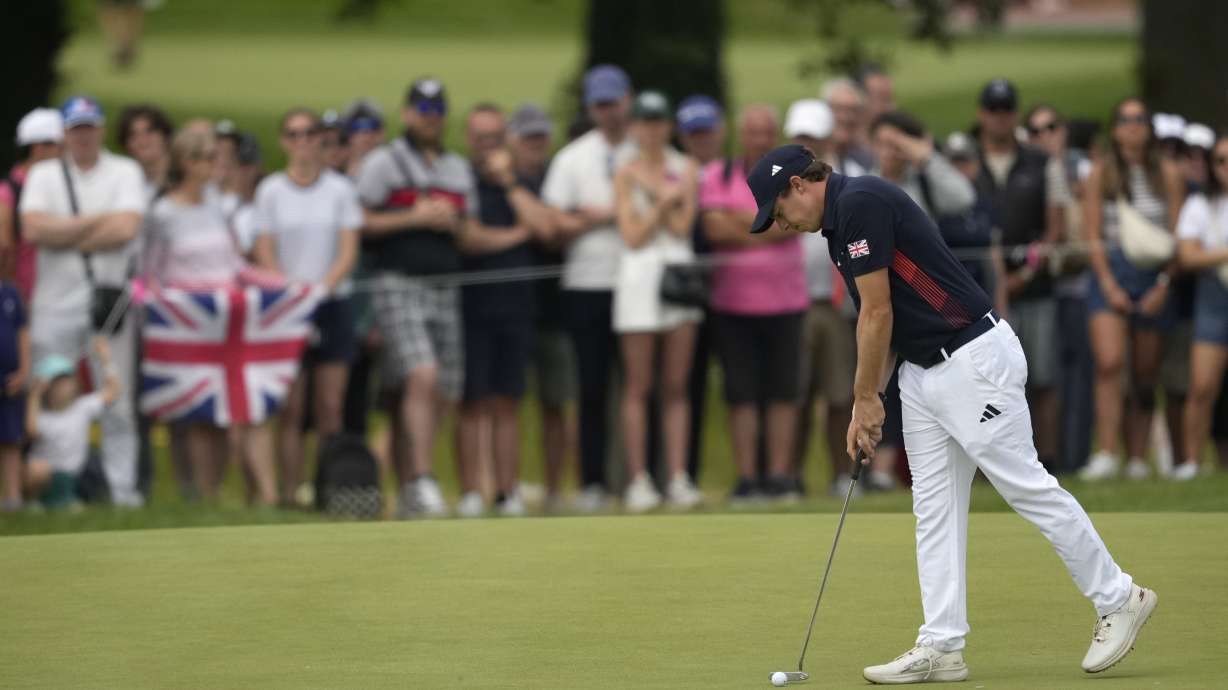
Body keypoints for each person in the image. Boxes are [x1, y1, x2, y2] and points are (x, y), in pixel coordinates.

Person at [751, 143, 1155, 684]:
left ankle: (1119, 596)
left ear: (799, 185)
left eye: (777, 212)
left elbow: (876, 313)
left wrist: (865, 398)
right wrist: (866, 403)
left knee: (1024, 485)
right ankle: (942, 643)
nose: (780, 225)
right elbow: (885, 321)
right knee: (934, 508)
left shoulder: (860, 202)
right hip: (923, 373)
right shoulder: (838, 225)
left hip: (972, 358)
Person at [356, 77, 476, 518]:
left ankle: (409, 484)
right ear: (407, 113)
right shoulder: (383, 163)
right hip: (397, 281)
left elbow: (470, 230)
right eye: (422, 110)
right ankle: (424, 481)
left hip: (446, 285)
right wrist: (413, 217)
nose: (430, 118)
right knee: (422, 375)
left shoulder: (457, 168)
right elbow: (360, 219)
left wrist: (454, 225)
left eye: (437, 110)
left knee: (444, 388)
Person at [19, 95, 146, 508]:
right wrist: (97, 222)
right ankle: (46, 488)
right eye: (76, 129)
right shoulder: (44, 175)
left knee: (117, 398)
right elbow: (34, 230)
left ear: (101, 129)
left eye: (90, 127)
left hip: (107, 299)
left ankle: (123, 492)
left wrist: (66, 233)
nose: (84, 136)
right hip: (54, 303)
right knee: (45, 393)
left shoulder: (124, 171)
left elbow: (126, 228)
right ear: (65, 133)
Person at [143, 126, 280, 505]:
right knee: (202, 416)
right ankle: (204, 497)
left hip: (229, 322)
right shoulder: (162, 212)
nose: (215, 165)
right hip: (190, 324)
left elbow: (234, 263)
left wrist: (281, 284)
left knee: (239, 409)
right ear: (186, 162)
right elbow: (150, 275)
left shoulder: (217, 206)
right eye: (206, 157)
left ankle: (244, 495)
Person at [253, 108, 361, 506]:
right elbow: (265, 248)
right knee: (291, 407)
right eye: (293, 134)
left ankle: (326, 490)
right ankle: (289, 491)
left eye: (310, 133)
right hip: (286, 307)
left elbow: (347, 249)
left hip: (332, 303)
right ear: (284, 141)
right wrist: (291, 290)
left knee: (330, 406)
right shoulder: (271, 191)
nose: (302, 141)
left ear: (320, 139)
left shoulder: (340, 190)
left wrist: (323, 288)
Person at [541, 64, 637, 512]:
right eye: (599, 105)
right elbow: (553, 223)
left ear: (627, 101)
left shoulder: (646, 151)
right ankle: (593, 482)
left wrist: (589, 214)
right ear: (591, 108)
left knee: (639, 388)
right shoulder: (572, 158)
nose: (608, 112)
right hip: (586, 286)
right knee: (593, 387)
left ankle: (638, 478)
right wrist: (604, 215)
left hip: (638, 284)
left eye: (613, 103)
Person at [700, 104, 807, 502]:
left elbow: (794, 219)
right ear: (740, 135)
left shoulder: (790, 178)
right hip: (732, 303)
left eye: (767, 132)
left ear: (774, 134)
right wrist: (766, 222)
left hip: (786, 300)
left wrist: (739, 223)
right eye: (752, 132)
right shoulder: (718, 174)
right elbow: (712, 226)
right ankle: (748, 479)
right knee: (740, 394)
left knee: (783, 393)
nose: (759, 140)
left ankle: (779, 476)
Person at [1080, 98, 1186, 481]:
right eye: (1125, 120)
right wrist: (1108, 283)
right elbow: (1092, 235)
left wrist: (1163, 284)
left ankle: (1138, 457)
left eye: (1140, 119)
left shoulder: (1169, 174)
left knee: (1144, 372)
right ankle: (1107, 451)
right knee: (1109, 364)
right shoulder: (1100, 173)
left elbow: (1178, 237)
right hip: (1111, 269)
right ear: (1115, 128)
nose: (1133, 126)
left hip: (1152, 273)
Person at [454, 104, 552, 518]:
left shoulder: (522, 180)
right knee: (472, 401)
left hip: (516, 305)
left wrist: (509, 182)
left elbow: (545, 229)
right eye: (481, 138)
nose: (488, 146)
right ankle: (472, 492)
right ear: (468, 139)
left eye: (495, 138)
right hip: (471, 306)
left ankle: (507, 492)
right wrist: (518, 233)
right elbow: (469, 239)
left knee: (508, 402)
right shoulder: (459, 179)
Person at [973, 79, 1070, 472]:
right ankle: (992, 462)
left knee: (1042, 377)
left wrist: (1024, 275)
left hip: (1035, 287)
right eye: (993, 110)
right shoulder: (966, 159)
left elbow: (1056, 229)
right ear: (982, 114)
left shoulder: (1041, 162)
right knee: (986, 385)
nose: (1000, 118)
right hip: (977, 296)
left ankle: (1045, 461)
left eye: (1007, 110)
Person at [612, 92, 702, 512]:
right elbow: (632, 235)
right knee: (638, 384)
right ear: (634, 126)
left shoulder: (686, 168)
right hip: (638, 279)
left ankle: (679, 476)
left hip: (677, 275)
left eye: (658, 122)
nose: (651, 130)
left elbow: (683, 227)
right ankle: (638, 478)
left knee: (676, 385)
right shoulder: (624, 171)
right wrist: (664, 199)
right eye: (644, 122)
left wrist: (655, 195)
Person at [785, 99, 862, 494]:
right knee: (796, 395)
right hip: (792, 302)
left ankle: (840, 475)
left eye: (812, 137)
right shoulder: (780, 183)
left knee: (838, 395)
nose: (806, 144)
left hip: (837, 304)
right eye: (800, 137)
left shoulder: (850, 177)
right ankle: (792, 477)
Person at [503, 104, 575, 511]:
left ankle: (552, 490)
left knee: (555, 403)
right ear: (512, 139)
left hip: (554, 308)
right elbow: (550, 226)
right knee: (505, 403)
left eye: (540, 136)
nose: (535, 144)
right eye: (527, 136)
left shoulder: (556, 175)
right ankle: (506, 488)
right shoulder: (501, 180)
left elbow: (554, 230)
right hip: (508, 307)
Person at [1024, 104, 1097, 475]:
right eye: (1036, 131)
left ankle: (1075, 457)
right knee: (1046, 378)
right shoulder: (1033, 170)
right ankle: (1046, 460)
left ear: (1063, 130)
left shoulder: (1083, 170)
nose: (1044, 136)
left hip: (1084, 288)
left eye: (1051, 127)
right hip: (1050, 289)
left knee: (1078, 380)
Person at [675, 95, 725, 486]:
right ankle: (680, 473)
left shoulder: (734, 173)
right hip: (682, 294)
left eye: (706, 131)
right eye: (693, 133)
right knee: (681, 386)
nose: (701, 139)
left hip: (731, 294)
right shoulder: (677, 172)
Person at [1174, 133, 1228, 480]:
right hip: (1214, 294)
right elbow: (1188, 255)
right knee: (1202, 385)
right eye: (1221, 161)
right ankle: (1193, 462)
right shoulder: (1200, 205)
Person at [24, 340, 120, 509]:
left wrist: (106, 359)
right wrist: (34, 395)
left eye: (67, 380)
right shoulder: (43, 416)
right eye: (58, 382)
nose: (65, 386)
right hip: (46, 477)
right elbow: (31, 430)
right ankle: (34, 503)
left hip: (73, 477)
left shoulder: (82, 407)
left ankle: (68, 500)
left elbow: (113, 392)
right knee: (37, 469)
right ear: (47, 388)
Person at [4, 108, 64, 305]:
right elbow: (4, 251)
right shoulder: (8, 193)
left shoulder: (60, 186)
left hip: (57, 301)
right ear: (39, 148)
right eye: (61, 146)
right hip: (22, 304)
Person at [870, 110, 976, 220]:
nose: (886, 152)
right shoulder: (864, 184)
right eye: (879, 143)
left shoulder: (923, 181)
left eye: (894, 145)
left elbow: (964, 199)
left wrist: (928, 159)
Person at [0, 278, 29, 511]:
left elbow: (23, 334)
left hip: (10, 382)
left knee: (11, 440)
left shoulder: (10, 294)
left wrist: (24, 372)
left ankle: (13, 498)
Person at [117, 104, 174, 200]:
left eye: (150, 131)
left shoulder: (187, 177)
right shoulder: (122, 182)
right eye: (133, 135)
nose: (142, 141)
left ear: (165, 136)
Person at [819, 78, 874, 176]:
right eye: (839, 109)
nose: (846, 118)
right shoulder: (811, 154)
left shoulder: (867, 159)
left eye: (853, 110)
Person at [342, 98, 386, 179]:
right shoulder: (333, 168)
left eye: (373, 126)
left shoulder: (394, 169)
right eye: (357, 127)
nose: (366, 135)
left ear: (382, 133)